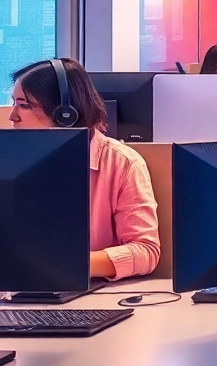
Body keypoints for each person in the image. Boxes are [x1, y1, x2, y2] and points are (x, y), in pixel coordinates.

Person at [8, 58, 160, 280]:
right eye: (13, 103)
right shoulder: (7, 161)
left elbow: (146, 251)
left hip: (87, 297)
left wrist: (66, 264)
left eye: (24, 105)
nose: (12, 116)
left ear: (64, 114)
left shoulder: (122, 163)